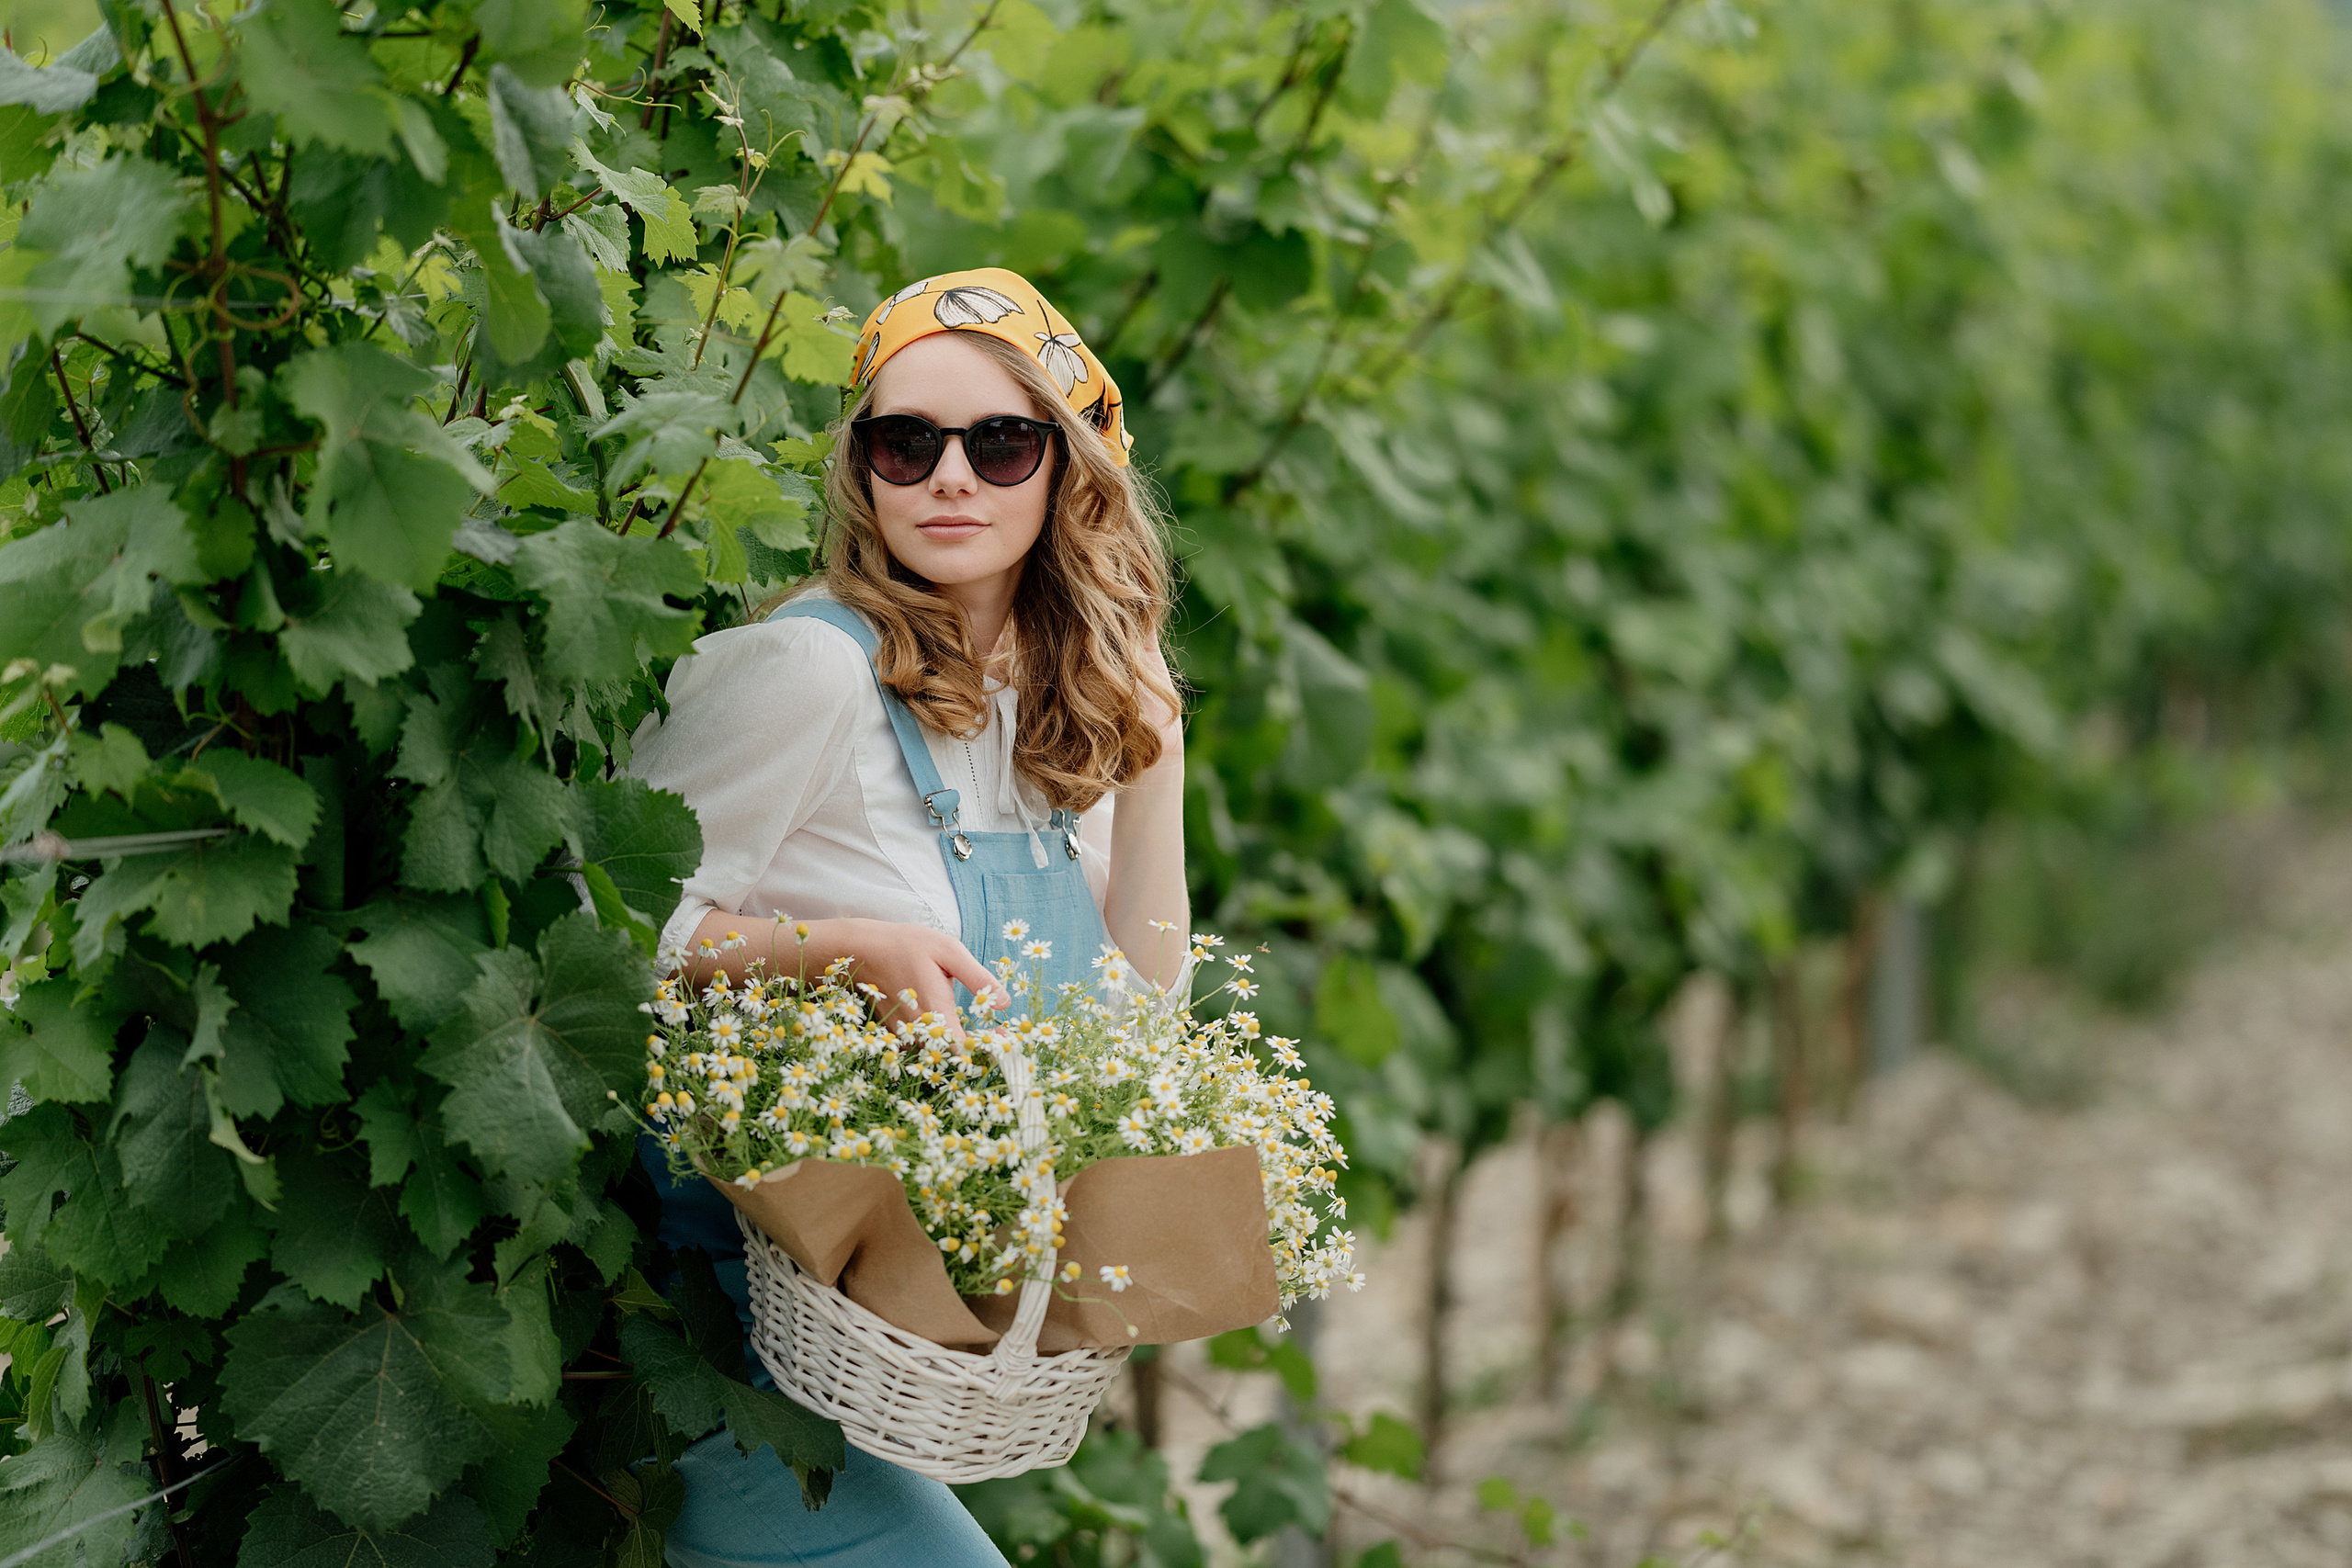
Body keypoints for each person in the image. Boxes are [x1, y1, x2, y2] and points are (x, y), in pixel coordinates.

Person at [627, 265, 1189, 1566]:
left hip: (878, 1337)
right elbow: (594, 933)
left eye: (1000, 444)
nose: (950, 477)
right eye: (906, 442)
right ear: (862, 471)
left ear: (1068, 471)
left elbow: (1133, 1020)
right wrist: (832, 951)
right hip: (712, 1328)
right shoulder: (805, 673)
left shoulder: (1039, 713)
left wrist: (1157, 764)